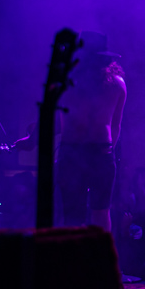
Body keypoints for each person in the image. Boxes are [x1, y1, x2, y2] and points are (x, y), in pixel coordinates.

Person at [55, 31, 126, 231]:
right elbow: (116, 126)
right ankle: (102, 260)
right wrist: (109, 153)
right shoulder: (118, 84)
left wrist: (34, 139)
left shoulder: (67, 82)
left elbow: (61, 120)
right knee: (101, 212)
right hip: (102, 151)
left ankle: (72, 259)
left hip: (72, 150)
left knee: (72, 214)